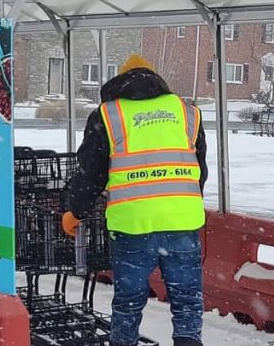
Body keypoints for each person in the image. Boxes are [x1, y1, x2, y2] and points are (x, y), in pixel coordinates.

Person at [62, 54, 208, 346]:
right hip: (182, 222)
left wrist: (74, 211)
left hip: (133, 224)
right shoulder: (187, 112)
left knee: (129, 300)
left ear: (120, 82)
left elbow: (92, 173)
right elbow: (200, 171)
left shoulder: (108, 114)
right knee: (187, 298)